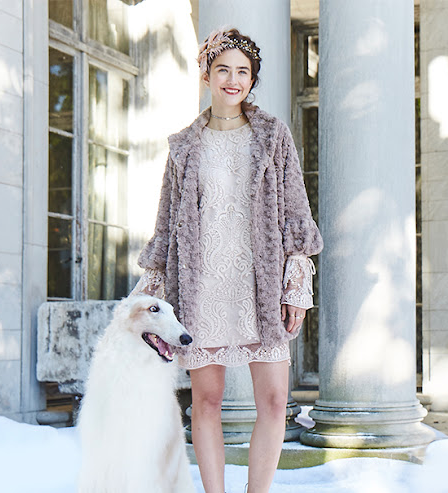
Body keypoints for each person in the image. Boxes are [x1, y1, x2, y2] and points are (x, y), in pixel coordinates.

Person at [132, 28, 323, 493]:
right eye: (223, 70)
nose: (233, 80)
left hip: (261, 286)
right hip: (203, 288)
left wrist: (296, 282)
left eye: (242, 71)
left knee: (274, 401)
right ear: (206, 75)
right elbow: (167, 222)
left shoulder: (273, 135)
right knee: (206, 401)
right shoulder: (183, 146)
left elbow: (296, 212)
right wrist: (153, 294)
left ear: (252, 79)